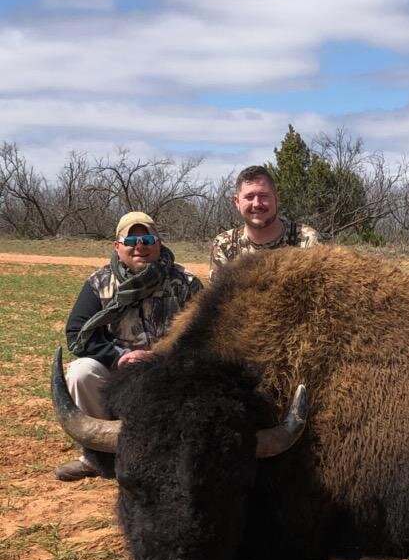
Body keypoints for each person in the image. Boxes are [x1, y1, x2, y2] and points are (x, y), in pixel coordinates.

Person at [54, 211, 202, 481]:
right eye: (131, 240)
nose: (140, 245)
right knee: (80, 372)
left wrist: (164, 359)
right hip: (119, 373)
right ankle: (98, 457)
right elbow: (77, 332)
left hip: (170, 372)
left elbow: (205, 332)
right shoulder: (99, 283)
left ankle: (178, 453)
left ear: (159, 242)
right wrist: (120, 357)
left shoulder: (186, 282)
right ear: (117, 246)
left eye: (147, 238)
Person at [209, 164, 320, 281]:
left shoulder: (307, 240)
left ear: (277, 198)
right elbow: (219, 296)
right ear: (237, 202)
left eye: (263, 196)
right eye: (249, 197)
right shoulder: (225, 244)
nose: (256, 204)